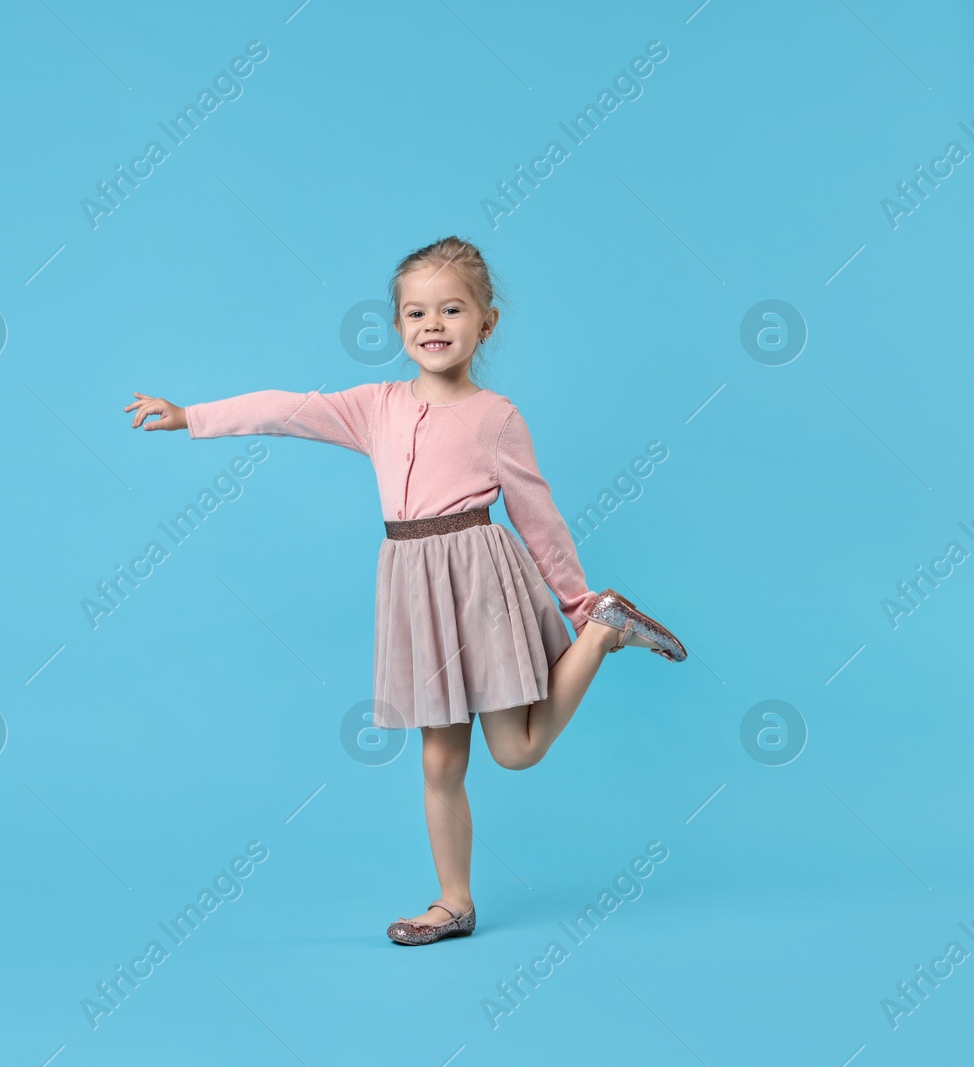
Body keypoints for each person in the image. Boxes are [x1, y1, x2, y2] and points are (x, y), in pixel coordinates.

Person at [123, 235, 687, 947]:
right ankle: (455, 902)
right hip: (416, 590)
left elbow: (538, 518)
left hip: (480, 580)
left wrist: (575, 603)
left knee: (514, 751)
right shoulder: (376, 406)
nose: (433, 324)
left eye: (451, 309)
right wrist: (191, 415)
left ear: (486, 322)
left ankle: (604, 626)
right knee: (439, 759)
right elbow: (286, 409)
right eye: (416, 312)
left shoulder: (498, 416)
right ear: (396, 327)